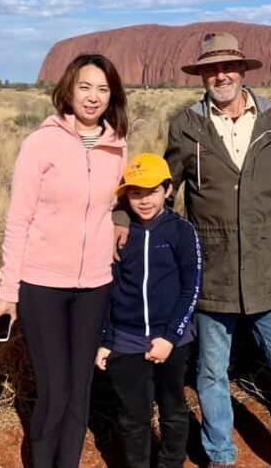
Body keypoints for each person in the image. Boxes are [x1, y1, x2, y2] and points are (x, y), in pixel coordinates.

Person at [163, 32, 271, 468]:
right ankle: (220, 454)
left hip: (267, 275)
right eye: (212, 69)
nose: (221, 75)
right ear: (202, 75)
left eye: (228, 67)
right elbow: (165, 188)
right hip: (212, 276)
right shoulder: (185, 126)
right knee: (211, 374)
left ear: (242, 71)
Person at [0, 53, 128, 468]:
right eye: (85, 87)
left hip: (95, 284)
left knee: (80, 390)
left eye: (103, 88)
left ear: (112, 94)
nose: (94, 97)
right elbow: (19, 219)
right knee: (56, 390)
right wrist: (8, 291)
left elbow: (117, 201)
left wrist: (121, 221)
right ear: (68, 88)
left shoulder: (117, 144)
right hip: (42, 284)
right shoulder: (40, 143)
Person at [96, 152, 202, 468]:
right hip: (125, 339)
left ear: (168, 190)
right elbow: (107, 290)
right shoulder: (118, 234)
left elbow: (191, 288)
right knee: (132, 416)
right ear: (126, 195)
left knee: (173, 407)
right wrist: (106, 338)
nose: (144, 200)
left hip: (172, 339)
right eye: (135, 192)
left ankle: (171, 462)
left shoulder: (181, 231)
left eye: (152, 191)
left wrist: (170, 337)